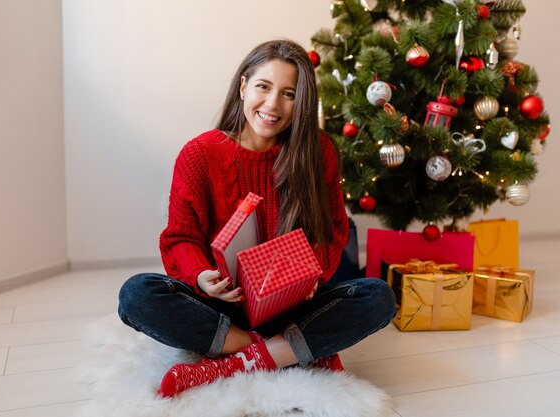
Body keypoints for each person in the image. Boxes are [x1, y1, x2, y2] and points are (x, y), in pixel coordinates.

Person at [118, 39, 396, 398]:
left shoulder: (319, 153)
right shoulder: (200, 154)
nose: (272, 104)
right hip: (222, 306)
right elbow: (180, 237)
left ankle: (236, 360)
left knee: (378, 297)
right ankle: (285, 349)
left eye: (289, 94)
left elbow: (331, 231)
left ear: (302, 103)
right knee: (136, 295)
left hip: (291, 305)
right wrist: (201, 276)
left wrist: (310, 275)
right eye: (263, 87)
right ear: (243, 85)